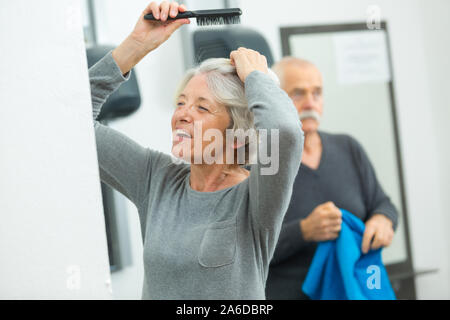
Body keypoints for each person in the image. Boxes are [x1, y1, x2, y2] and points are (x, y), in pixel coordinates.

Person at [89, 2, 303, 299]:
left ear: (238, 135)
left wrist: (258, 78)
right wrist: (136, 45)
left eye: (202, 107)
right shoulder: (155, 179)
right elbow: (75, 122)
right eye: (180, 102)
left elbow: (285, 133)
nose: (182, 115)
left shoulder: (257, 198)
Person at [265, 57, 398, 300]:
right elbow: (244, 247)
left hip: (354, 289)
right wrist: (303, 231)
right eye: (298, 94)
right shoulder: (261, 161)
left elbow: (383, 203)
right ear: (274, 99)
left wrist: (383, 220)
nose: (310, 103)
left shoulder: (348, 147)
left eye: (317, 93)